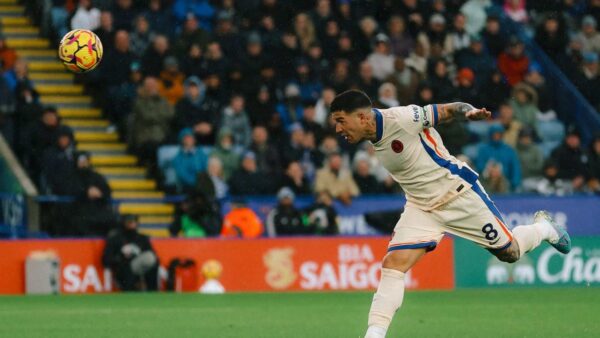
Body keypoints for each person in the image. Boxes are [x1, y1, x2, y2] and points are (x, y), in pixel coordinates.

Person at [328, 90, 571, 338]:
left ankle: (544, 228)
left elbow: (448, 109)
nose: (337, 129)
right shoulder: (372, 134)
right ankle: (375, 334)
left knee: (510, 252)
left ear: (361, 117)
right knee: (393, 265)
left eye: (340, 121)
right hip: (421, 207)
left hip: (458, 194)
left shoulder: (401, 118)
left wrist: (469, 112)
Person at [102, 214, 159, 291]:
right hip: (123, 270)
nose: (131, 224)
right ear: (123, 223)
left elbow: (153, 257)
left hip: (141, 270)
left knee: (151, 259)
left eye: (133, 222)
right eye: (129, 222)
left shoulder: (142, 238)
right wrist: (120, 258)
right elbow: (106, 259)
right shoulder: (116, 238)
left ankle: (151, 289)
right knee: (127, 267)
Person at [172, 128, 208, 193]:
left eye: (191, 137)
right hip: (186, 188)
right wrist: (196, 184)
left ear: (194, 140)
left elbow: (206, 169)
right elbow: (182, 175)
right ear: (181, 140)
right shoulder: (177, 159)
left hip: (202, 187)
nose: (189, 140)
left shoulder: (202, 155)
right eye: (186, 138)